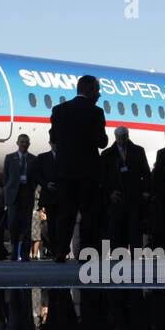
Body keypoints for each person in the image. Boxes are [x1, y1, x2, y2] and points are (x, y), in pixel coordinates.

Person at [48, 75, 108, 261]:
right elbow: (102, 142)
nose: (99, 95)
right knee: (88, 214)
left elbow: (53, 138)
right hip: (88, 172)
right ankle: (86, 253)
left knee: (65, 213)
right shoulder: (96, 112)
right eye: (97, 91)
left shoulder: (59, 110)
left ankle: (60, 251)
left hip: (65, 171)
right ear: (90, 90)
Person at [100, 126, 150, 250]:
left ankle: (135, 253)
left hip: (134, 195)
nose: (122, 141)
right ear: (115, 137)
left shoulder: (138, 151)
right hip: (117, 196)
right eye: (119, 138)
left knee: (135, 228)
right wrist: (109, 193)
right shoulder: (107, 154)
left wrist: (145, 191)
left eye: (124, 138)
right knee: (117, 228)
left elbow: (146, 173)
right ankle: (119, 254)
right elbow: (103, 178)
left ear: (128, 136)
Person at [3, 134, 39, 261]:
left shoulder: (33, 159)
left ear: (29, 144)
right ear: (17, 143)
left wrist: (32, 188)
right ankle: (14, 252)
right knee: (13, 225)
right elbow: (6, 177)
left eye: (26, 142)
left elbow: (36, 177)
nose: (24, 144)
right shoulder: (9, 158)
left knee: (26, 226)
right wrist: (8, 192)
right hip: (13, 196)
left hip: (27, 195)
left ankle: (24, 254)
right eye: (22, 142)